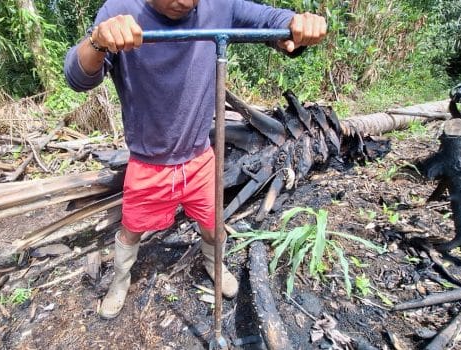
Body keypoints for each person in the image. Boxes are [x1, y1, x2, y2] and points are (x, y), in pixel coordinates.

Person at [64, 0, 327, 319]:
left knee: (214, 226)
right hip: (148, 163)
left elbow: (274, 24)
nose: (187, 2)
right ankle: (120, 279)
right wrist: (97, 41)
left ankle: (213, 263)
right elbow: (78, 77)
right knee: (131, 230)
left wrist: (299, 25)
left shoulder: (219, 4)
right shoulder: (119, 11)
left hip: (200, 158)